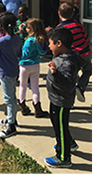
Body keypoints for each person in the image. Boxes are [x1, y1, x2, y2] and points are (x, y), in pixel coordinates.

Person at [45, 27, 84, 168]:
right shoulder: (62, 57)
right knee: (58, 125)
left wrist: (55, 73)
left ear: (59, 44)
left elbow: (67, 83)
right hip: (55, 98)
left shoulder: (68, 62)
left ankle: (63, 157)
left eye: (50, 43)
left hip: (61, 101)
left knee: (60, 127)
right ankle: (69, 142)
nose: (49, 47)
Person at [57, 2, 91, 103]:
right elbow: (86, 39)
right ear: (72, 14)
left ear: (59, 14)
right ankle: (80, 87)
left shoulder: (60, 28)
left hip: (71, 55)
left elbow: (59, 44)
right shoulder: (78, 25)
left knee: (71, 76)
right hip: (84, 53)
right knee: (88, 71)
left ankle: (70, 102)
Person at [18, 18, 49, 118]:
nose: (26, 29)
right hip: (35, 65)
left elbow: (24, 55)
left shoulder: (29, 41)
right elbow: (43, 52)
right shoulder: (39, 40)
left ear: (32, 29)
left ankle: (23, 106)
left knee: (23, 86)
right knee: (35, 87)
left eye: (28, 27)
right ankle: (37, 108)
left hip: (24, 66)